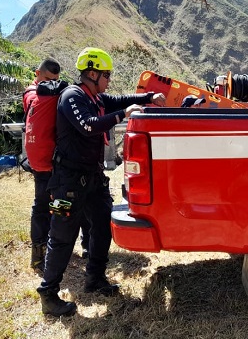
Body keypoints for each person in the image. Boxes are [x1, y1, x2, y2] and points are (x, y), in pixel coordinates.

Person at [37, 47, 166, 317]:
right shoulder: (72, 96)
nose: (108, 80)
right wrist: (123, 115)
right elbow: (88, 125)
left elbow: (118, 99)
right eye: (106, 75)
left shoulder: (95, 97)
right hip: (66, 183)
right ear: (92, 73)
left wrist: (148, 97)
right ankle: (48, 294)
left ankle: (95, 278)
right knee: (61, 236)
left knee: (102, 227)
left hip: (92, 180)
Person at [23, 58, 91, 276]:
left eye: (56, 80)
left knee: (55, 204)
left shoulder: (43, 94)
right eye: (47, 80)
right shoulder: (32, 93)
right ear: (37, 74)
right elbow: (39, 96)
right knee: (46, 205)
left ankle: (53, 247)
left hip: (49, 159)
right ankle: (40, 253)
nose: (51, 84)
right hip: (45, 162)